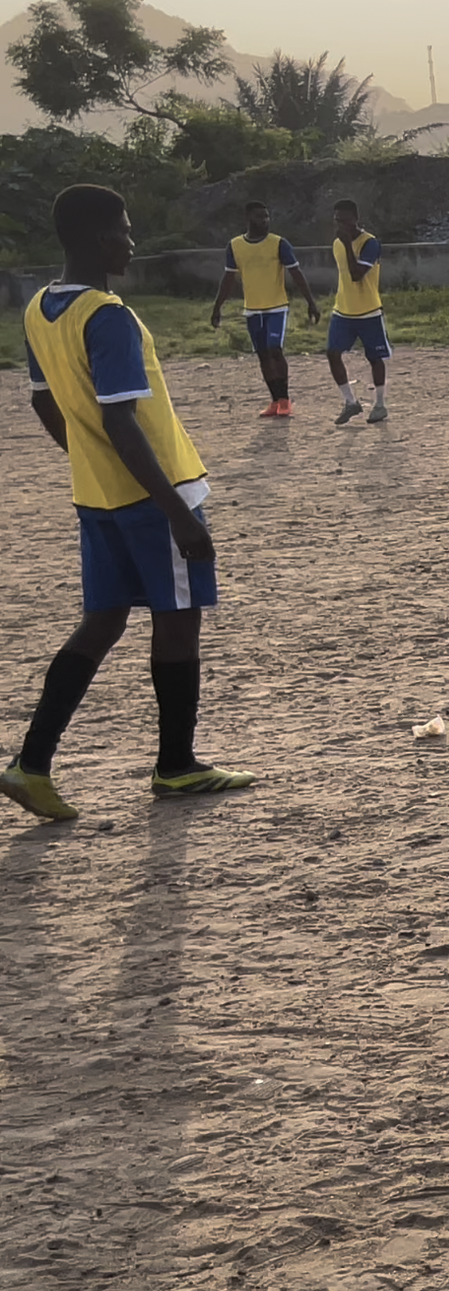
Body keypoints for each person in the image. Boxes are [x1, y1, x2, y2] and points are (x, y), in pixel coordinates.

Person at [3, 184, 255, 822]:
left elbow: (41, 400)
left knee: (103, 621)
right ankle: (176, 767)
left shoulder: (37, 308)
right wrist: (177, 513)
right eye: (122, 229)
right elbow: (122, 422)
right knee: (177, 622)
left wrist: (84, 460)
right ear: (94, 239)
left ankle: (30, 765)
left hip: (98, 498)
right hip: (154, 497)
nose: (131, 241)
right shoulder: (107, 314)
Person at [209, 199, 319, 418]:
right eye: (260, 216)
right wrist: (217, 307)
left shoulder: (279, 244)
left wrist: (311, 302)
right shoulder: (235, 246)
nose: (265, 220)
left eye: (267, 216)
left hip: (276, 307)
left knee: (274, 348)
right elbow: (228, 278)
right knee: (262, 354)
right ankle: (275, 400)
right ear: (248, 218)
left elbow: (296, 274)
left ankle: (286, 399)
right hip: (253, 309)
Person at [325, 200, 392, 421]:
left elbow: (356, 275)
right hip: (343, 310)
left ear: (355, 219)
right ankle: (350, 402)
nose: (341, 225)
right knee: (333, 353)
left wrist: (346, 245)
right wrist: (343, 243)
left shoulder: (369, 243)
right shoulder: (337, 243)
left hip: (368, 311)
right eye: (337, 221)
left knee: (374, 357)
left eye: (344, 220)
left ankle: (380, 404)